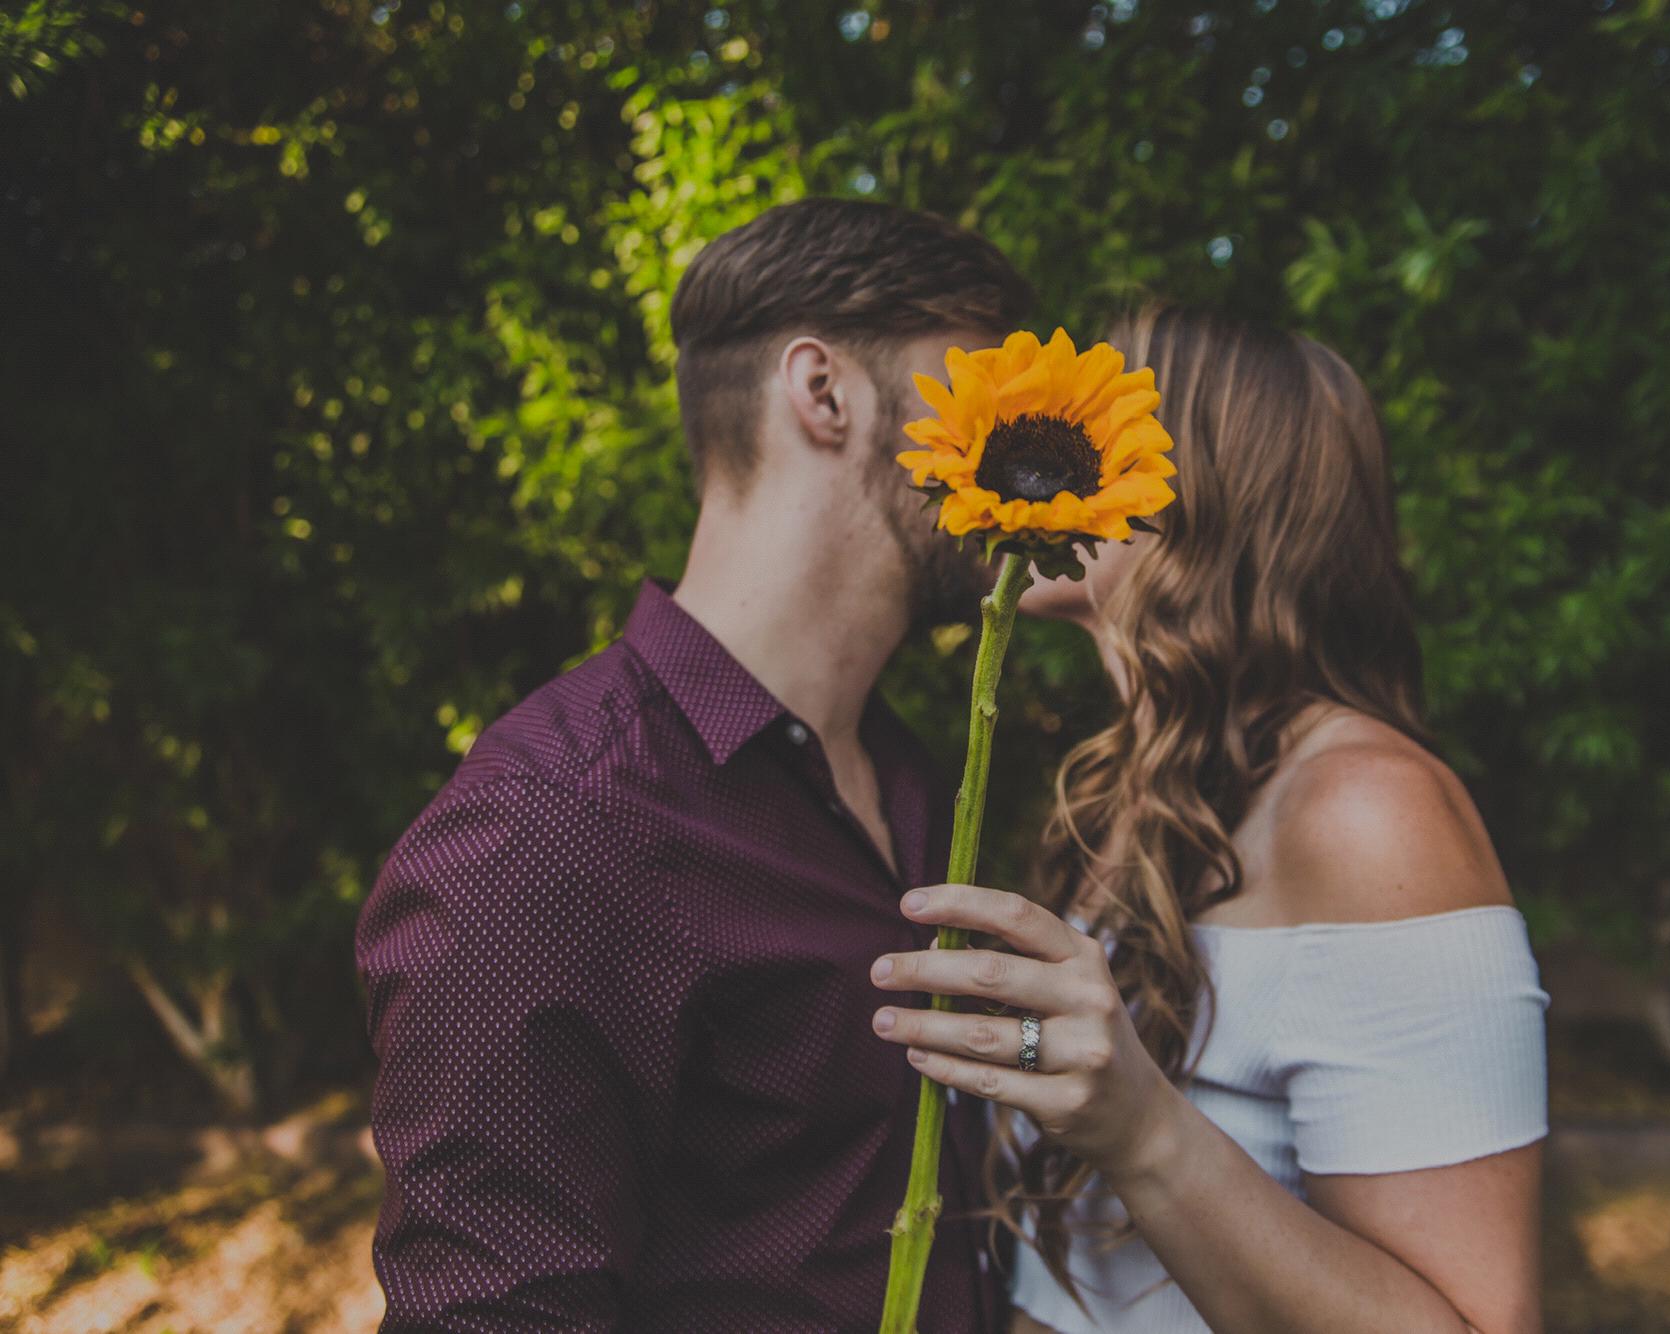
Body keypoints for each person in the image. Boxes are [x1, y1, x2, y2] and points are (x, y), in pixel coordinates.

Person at [353, 196, 1034, 1331]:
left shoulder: (913, 783)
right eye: (974, 389)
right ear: (824, 393)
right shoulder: (554, 826)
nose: (1011, 442)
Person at [862, 302, 1550, 1333]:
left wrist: (1141, 1126)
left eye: (1101, 415)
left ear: (1186, 485)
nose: (1052, 426)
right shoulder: (1144, 799)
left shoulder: (1365, 811)